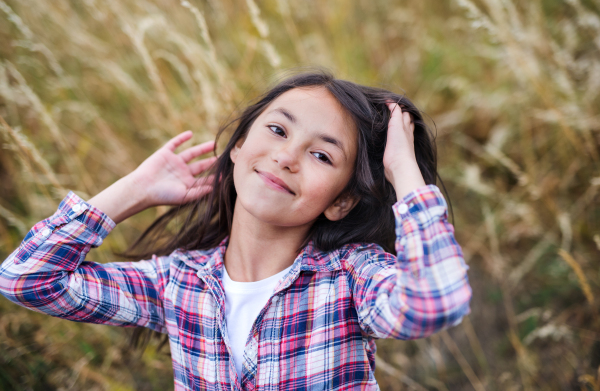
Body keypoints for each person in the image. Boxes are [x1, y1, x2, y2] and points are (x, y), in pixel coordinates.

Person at [0, 71, 472, 390]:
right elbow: (27, 280)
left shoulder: (350, 279)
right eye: (279, 131)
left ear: (341, 201)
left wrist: (402, 171)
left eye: (322, 155)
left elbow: (438, 300)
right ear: (240, 146)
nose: (286, 157)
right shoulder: (178, 283)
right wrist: (133, 191)